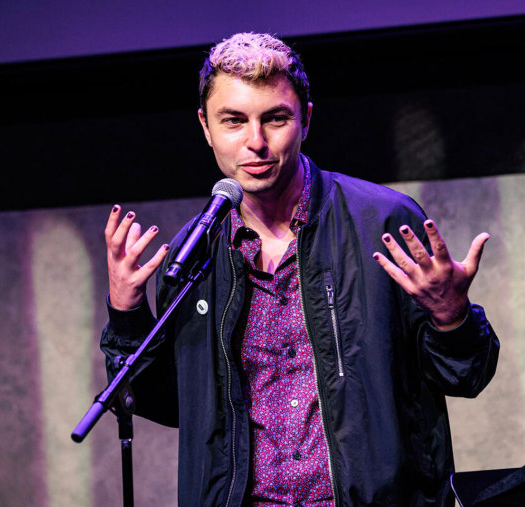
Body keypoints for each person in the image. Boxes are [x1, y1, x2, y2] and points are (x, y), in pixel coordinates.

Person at [100, 32, 499, 506]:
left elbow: (465, 377)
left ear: (305, 120)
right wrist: (126, 311)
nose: (256, 142)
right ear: (206, 127)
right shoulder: (195, 253)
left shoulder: (383, 223)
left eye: (275, 119)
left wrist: (451, 316)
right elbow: (166, 404)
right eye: (234, 121)